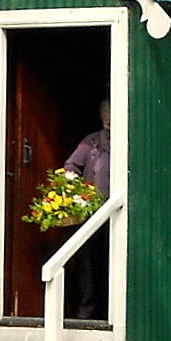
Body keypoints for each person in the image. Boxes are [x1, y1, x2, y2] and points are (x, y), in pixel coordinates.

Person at [59, 100, 110, 321]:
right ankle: (86, 313)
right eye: (106, 117)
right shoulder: (92, 142)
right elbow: (71, 167)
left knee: (111, 262)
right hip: (91, 213)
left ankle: (110, 311)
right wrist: (73, 189)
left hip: (118, 212)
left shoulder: (129, 140)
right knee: (87, 263)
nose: (109, 121)